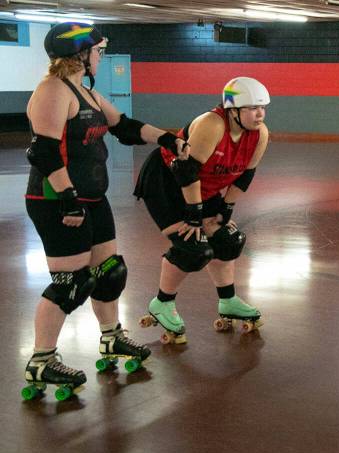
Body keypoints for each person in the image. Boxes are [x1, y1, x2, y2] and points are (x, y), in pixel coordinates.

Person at [22, 22, 186, 400]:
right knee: (71, 283)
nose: (100, 55)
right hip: (57, 201)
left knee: (109, 273)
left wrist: (168, 139)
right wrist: (68, 198)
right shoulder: (52, 91)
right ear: (80, 53)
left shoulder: (86, 93)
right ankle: (42, 360)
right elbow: (43, 151)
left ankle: (112, 338)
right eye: (97, 50)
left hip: (92, 198)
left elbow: (125, 126)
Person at [133, 77, 270, 344]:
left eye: (263, 107)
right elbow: (186, 171)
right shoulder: (212, 124)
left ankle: (228, 299)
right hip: (167, 182)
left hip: (201, 186)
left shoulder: (260, 134)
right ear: (233, 110)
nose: (260, 114)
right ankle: (162, 302)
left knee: (228, 242)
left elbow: (245, 176)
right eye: (253, 107)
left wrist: (226, 209)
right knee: (193, 247)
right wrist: (194, 217)